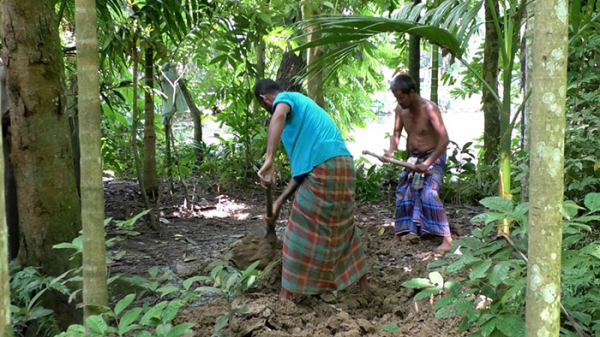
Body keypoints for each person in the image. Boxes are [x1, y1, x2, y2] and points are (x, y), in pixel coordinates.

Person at [254, 79, 368, 302]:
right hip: (342, 165)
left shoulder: (286, 100)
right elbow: (302, 175)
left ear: (265, 99)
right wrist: (277, 203)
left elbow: (278, 114)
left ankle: (285, 296)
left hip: (324, 167)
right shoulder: (304, 112)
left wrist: (269, 159)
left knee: (298, 232)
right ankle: (364, 286)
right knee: (343, 227)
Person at [383, 74, 452, 252]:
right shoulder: (400, 110)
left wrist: (428, 163)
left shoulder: (430, 108)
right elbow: (396, 134)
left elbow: (445, 140)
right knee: (403, 191)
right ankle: (402, 232)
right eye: (396, 98)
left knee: (429, 193)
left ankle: (447, 238)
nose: (399, 102)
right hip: (414, 158)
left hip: (434, 156)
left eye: (401, 97)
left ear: (412, 92)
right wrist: (390, 151)